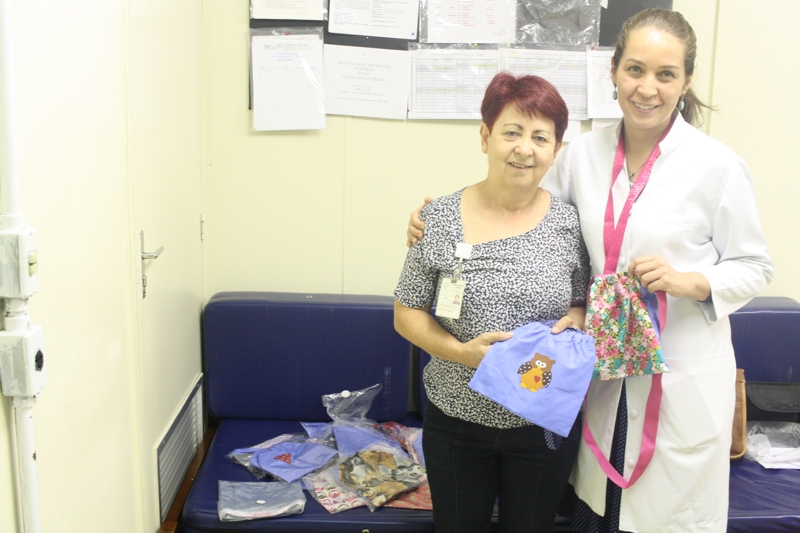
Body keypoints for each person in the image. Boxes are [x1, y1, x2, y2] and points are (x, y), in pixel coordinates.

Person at [406, 9, 774, 533]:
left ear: (686, 81)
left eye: (666, 74)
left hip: (676, 373)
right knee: (597, 511)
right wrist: (440, 217)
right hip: (599, 375)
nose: (647, 88)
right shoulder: (581, 155)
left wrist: (692, 282)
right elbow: (523, 209)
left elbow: (756, 266)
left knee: (663, 514)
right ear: (614, 71)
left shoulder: (717, 166)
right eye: (635, 69)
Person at [394, 73, 590, 533]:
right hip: (456, 420)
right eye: (512, 132)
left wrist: (575, 319)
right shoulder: (439, 218)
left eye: (540, 137)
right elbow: (406, 313)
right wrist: (461, 353)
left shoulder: (570, 224)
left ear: (556, 150)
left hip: (541, 421)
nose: (525, 148)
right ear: (485, 137)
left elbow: (581, 300)